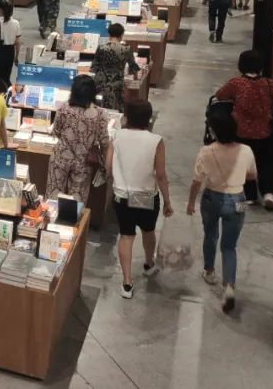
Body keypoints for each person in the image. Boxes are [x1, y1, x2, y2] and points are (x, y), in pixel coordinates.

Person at [187, 110, 257, 313]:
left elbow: (195, 182)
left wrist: (191, 203)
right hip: (237, 199)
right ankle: (229, 287)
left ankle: (209, 271)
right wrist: (246, 205)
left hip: (212, 199)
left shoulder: (207, 151)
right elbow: (252, 178)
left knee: (210, 235)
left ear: (215, 131)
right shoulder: (246, 151)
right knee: (229, 247)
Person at [107, 99, 172, 299]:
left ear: (126, 118)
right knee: (148, 230)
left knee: (126, 236)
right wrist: (167, 202)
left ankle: (127, 282)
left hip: (122, 196)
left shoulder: (116, 137)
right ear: (148, 119)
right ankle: (148, 263)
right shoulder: (156, 141)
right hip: (146, 196)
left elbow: (108, 166)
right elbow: (160, 175)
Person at [214, 50, 273, 210]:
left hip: (242, 133)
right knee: (265, 163)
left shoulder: (236, 83)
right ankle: (269, 194)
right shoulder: (268, 83)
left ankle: (250, 196)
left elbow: (219, 95)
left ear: (241, 65)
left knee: (244, 163)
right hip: (265, 132)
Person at [46, 74, 110, 203]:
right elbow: (104, 142)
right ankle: (73, 223)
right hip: (83, 161)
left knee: (53, 197)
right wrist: (107, 166)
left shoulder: (64, 108)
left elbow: (57, 131)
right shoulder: (101, 114)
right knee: (76, 203)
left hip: (60, 158)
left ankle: (51, 222)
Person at [91, 22, 140, 110]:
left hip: (100, 82)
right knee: (115, 107)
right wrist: (136, 80)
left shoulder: (101, 48)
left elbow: (94, 67)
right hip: (116, 82)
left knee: (99, 106)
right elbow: (133, 66)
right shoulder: (126, 48)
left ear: (109, 34)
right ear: (121, 35)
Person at [0, 0, 21, 84]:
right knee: (6, 76)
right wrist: (16, 57)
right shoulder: (16, 23)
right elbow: (17, 43)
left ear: (1, 10)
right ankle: (6, 93)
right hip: (10, 51)